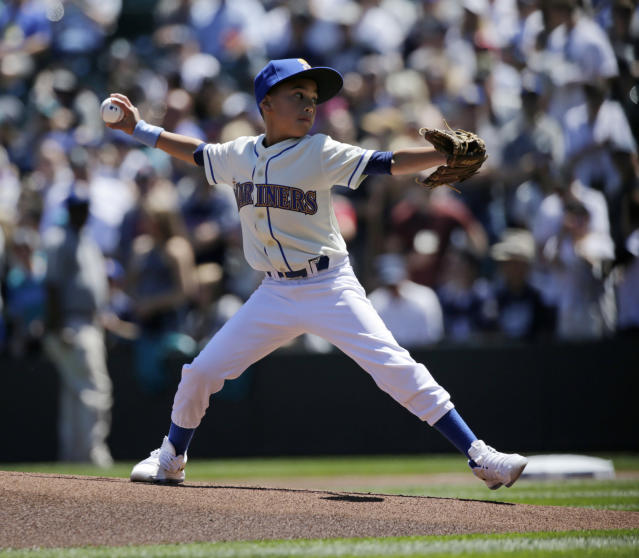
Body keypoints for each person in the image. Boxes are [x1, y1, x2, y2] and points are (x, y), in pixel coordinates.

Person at [106, 58, 528, 489]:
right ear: (266, 104)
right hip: (273, 292)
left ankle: (480, 455)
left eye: (313, 99)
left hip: (329, 285)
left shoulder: (319, 150)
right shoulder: (239, 154)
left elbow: (386, 161)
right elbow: (196, 152)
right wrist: (140, 130)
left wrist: (441, 153)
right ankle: (172, 457)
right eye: (298, 97)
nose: (310, 106)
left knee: (395, 368)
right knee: (200, 372)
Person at [42, 187, 113, 467]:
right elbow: (52, 286)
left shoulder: (85, 240)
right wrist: (58, 326)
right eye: (76, 208)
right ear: (69, 210)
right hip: (72, 323)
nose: (81, 213)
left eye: (83, 208)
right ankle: (91, 455)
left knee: (76, 392)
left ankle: (74, 456)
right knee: (93, 389)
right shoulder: (60, 240)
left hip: (86, 321)